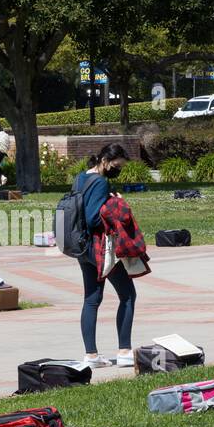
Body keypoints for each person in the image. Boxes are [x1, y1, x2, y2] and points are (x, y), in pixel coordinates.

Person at [72, 143, 142, 369]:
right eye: (116, 165)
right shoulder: (101, 182)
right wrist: (114, 202)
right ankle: (124, 351)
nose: (117, 170)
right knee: (128, 295)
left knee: (91, 299)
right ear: (104, 161)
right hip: (99, 248)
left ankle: (91, 355)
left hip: (81, 247)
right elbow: (94, 218)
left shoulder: (80, 178)